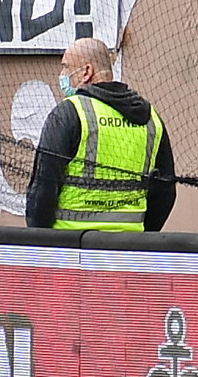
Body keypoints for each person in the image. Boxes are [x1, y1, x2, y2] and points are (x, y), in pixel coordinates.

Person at [23, 32, 175, 232]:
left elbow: (44, 186)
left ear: (87, 71)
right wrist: (142, 235)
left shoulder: (70, 113)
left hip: (72, 247)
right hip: (128, 248)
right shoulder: (151, 118)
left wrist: (41, 240)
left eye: (66, 67)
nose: (62, 75)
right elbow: (165, 191)